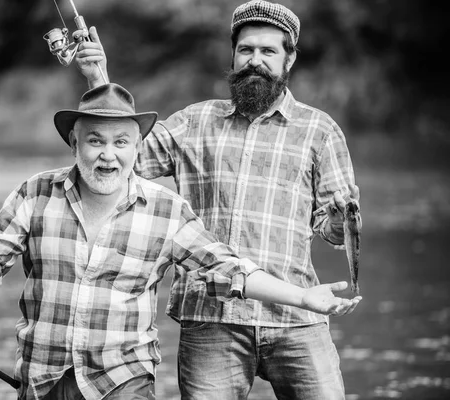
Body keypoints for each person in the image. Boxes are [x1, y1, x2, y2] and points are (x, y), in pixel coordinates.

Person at [0, 83, 360, 400]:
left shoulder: (166, 209)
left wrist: (302, 296)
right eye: (95, 140)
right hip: (43, 379)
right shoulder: (35, 192)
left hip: (124, 381)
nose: (108, 154)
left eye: (122, 142)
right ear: (73, 142)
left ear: (139, 149)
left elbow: (229, 268)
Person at [75, 1, 362, 399]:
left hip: (297, 315)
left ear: (289, 58)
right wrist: (98, 76)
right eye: (246, 50)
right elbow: (122, 156)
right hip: (211, 316)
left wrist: (339, 220)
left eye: (268, 52)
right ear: (233, 54)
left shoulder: (320, 130)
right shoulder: (195, 121)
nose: (254, 61)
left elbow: (334, 234)